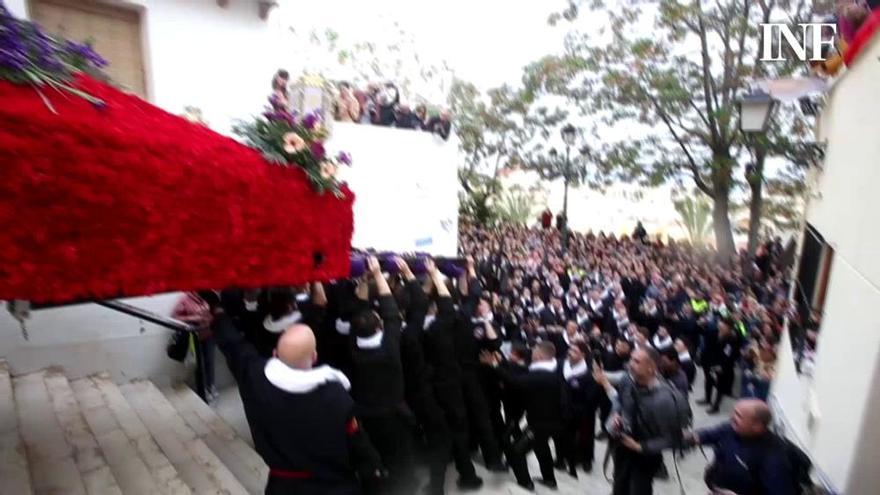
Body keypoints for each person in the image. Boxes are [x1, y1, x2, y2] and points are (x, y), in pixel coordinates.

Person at [213, 299, 384, 494]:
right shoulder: (336, 396)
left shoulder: (256, 378)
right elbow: (358, 447)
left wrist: (218, 313)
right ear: (314, 356)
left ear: (275, 354)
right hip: (334, 486)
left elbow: (235, 346)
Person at [348, 256, 416, 494]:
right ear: (379, 328)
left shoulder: (353, 348)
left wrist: (365, 280)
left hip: (366, 415)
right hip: (393, 417)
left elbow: (359, 311)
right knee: (401, 460)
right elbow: (390, 309)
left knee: (374, 458)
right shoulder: (389, 348)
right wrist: (377, 275)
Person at [595, 347, 691, 495]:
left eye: (637, 361)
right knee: (619, 486)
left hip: (645, 456)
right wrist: (617, 418)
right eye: (631, 359)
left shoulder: (665, 399)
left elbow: (676, 438)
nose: (630, 364)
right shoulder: (627, 380)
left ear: (651, 367)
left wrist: (641, 447)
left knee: (639, 489)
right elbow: (621, 404)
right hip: (622, 447)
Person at [481, 341, 572, 491]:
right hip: (553, 421)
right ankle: (549, 480)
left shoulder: (540, 375)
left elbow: (515, 382)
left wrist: (494, 365)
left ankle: (526, 484)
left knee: (516, 451)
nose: (532, 352)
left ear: (541, 356)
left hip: (541, 424)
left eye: (535, 351)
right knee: (541, 448)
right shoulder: (553, 371)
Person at [686, 399, 796, 495]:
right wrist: (686, 437)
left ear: (757, 426)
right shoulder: (732, 428)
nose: (732, 418)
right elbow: (707, 435)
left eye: (738, 415)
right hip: (718, 486)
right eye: (734, 413)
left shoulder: (773, 457)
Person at [172, 291, 219, 402]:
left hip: (208, 335)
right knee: (199, 364)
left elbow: (214, 311)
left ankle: (211, 387)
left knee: (210, 362)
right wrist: (194, 318)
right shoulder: (185, 299)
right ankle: (202, 390)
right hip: (194, 337)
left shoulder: (208, 295)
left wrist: (211, 318)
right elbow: (175, 317)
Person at [700, 318, 742, 414]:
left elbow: (730, 354)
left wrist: (720, 366)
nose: (720, 327)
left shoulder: (732, 338)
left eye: (723, 326)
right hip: (710, 361)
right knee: (708, 380)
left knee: (720, 385)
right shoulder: (714, 332)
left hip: (723, 364)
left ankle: (716, 406)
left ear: (729, 328)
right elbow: (708, 346)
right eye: (720, 324)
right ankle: (707, 398)